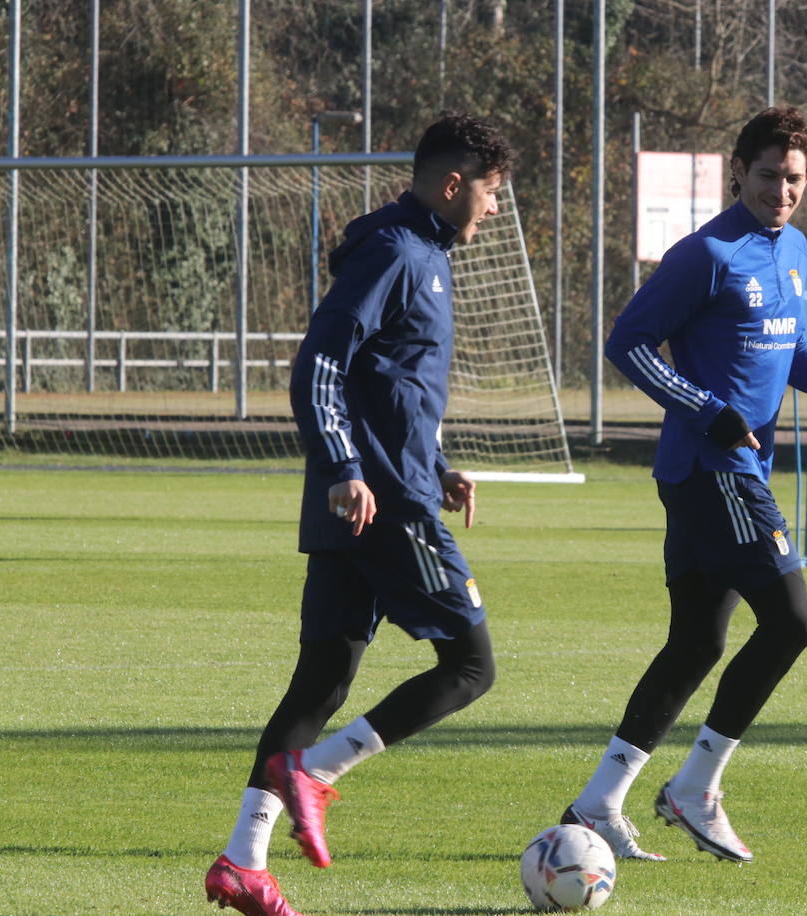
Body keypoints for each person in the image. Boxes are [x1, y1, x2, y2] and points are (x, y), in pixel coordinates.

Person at [561, 106, 807, 863]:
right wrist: (707, 411)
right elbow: (627, 344)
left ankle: (597, 803)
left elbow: (786, 347)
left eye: (795, 179)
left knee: (695, 644)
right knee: (791, 624)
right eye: (769, 175)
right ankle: (695, 788)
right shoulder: (705, 254)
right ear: (738, 171)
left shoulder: (794, 248)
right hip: (712, 472)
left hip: (725, 472)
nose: (782, 191)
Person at [204, 112, 514, 916]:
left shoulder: (423, 252)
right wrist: (346, 466)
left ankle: (243, 861)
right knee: (471, 666)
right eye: (487, 191)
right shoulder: (395, 252)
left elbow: (386, 385)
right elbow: (321, 363)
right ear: (452, 184)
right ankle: (315, 772)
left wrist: (436, 462)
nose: (491, 208)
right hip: (381, 502)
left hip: (380, 489)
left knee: (323, 678)